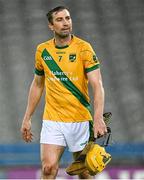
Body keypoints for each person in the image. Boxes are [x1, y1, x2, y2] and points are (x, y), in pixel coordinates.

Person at [21, 6, 107, 179]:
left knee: (84, 172)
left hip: (80, 119)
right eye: (59, 20)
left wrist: (98, 118)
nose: (65, 23)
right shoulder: (42, 51)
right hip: (53, 119)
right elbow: (38, 84)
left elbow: (97, 85)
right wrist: (27, 117)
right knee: (48, 168)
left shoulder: (84, 48)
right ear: (51, 26)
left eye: (68, 18)